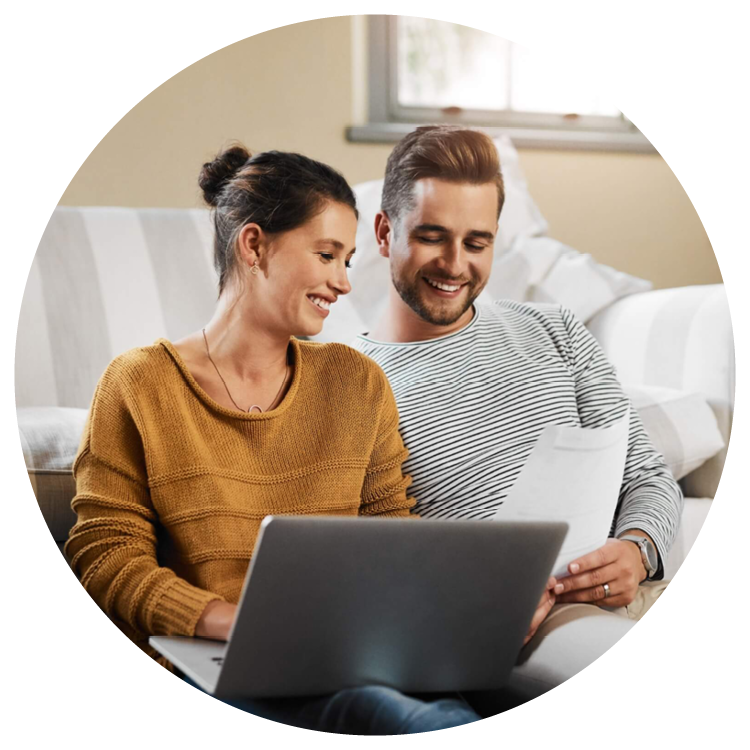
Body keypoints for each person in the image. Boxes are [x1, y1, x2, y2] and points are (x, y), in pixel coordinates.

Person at [65, 144, 483, 734]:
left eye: (349, 259)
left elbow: (394, 535)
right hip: (215, 667)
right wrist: (224, 619)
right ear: (254, 244)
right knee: (394, 715)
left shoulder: (356, 381)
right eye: (326, 254)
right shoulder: (139, 383)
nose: (342, 282)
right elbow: (104, 553)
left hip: (350, 651)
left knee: (437, 712)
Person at [352, 125, 683, 710]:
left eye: (477, 242)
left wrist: (636, 548)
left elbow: (649, 474)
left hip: (624, 596)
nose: (455, 266)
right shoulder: (347, 382)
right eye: (433, 237)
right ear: (384, 232)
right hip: (511, 637)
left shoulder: (555, 329)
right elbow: (363, 558)